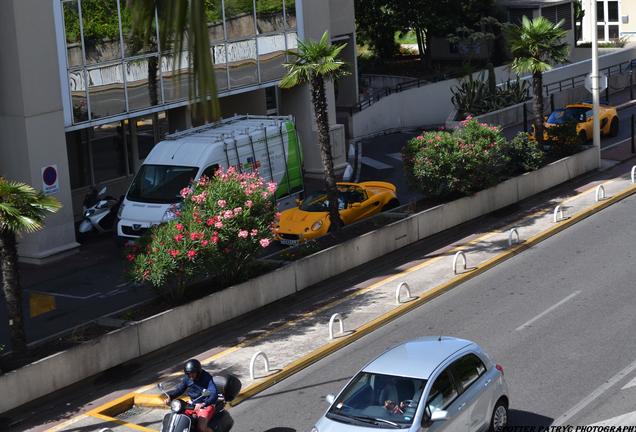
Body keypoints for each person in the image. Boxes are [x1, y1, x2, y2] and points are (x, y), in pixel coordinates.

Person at [165, 359, 219, 432]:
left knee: (201, 428)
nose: (190, 375)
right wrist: (170, 397)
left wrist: (204, 403)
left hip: (205, 405)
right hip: (192, 404)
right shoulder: (188, 378)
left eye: (192, 373)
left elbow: (214, 393)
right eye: (188, 373)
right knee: (178, 417)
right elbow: (180, 389)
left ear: (198, 371)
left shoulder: (207, 378)